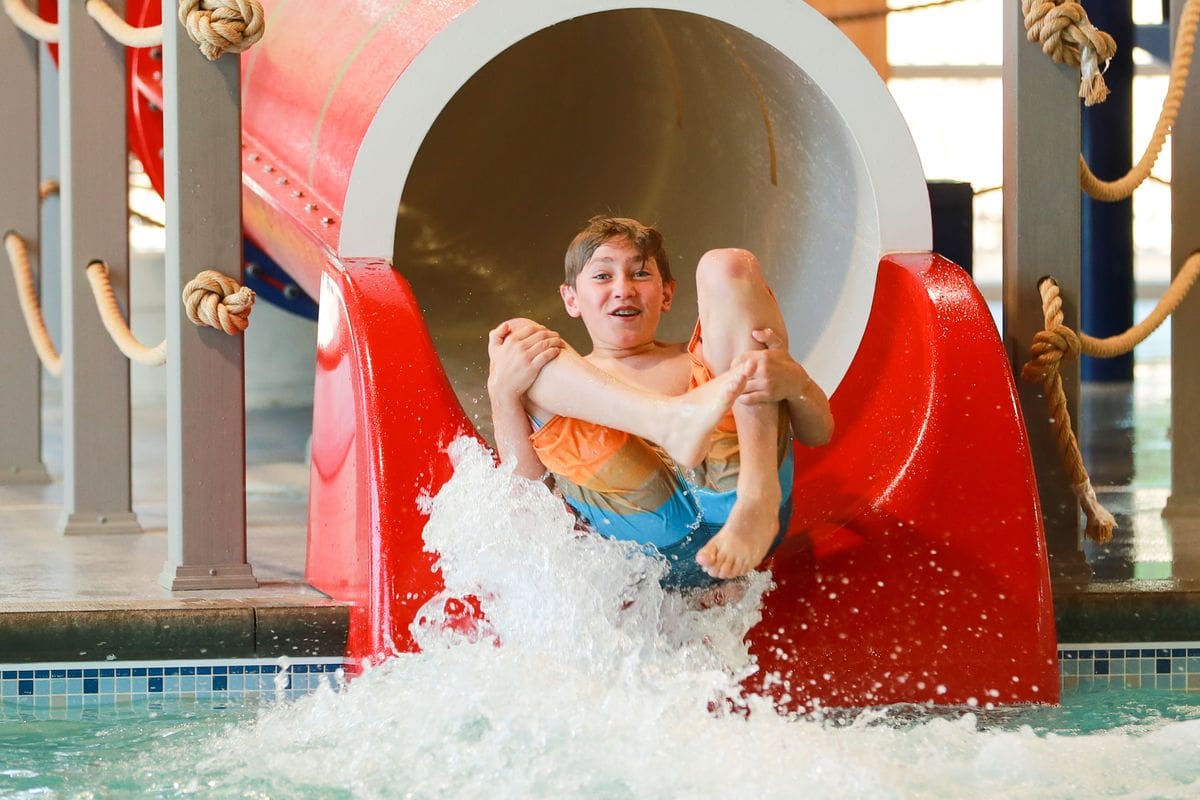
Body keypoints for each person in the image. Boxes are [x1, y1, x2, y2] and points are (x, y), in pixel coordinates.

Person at [487, 216, 833, 587]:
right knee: (519, 339)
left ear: (667, 294)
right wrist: (502, 395)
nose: (623, 289)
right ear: (571, 299)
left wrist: (795, 381)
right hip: (650, 537)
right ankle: (668, 420)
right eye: (603, 276)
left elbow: (819, 433)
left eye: (639, 274)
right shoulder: (562, 384)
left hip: (746, 508)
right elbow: (528, 499)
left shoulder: (712, 361)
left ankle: (755, 493)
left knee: (727, 264)